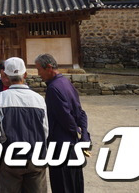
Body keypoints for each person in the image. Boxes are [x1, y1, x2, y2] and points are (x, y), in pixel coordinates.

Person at [0, 57, 48, 193]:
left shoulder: (0, 98)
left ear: (6, 76)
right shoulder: (38, 99)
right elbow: (45, 130)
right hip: (35, 155)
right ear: (25, 75)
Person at [36, 53, 90, 193]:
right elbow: (80, 112)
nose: (38, 74)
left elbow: (65, 117)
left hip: (61, 146)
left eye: (39, 70)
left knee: (63, 185)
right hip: (71, 144)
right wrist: (82, 134)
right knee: (74, 185)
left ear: (48, 67)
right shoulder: (66, 83)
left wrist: (76, 134)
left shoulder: (54, 88)